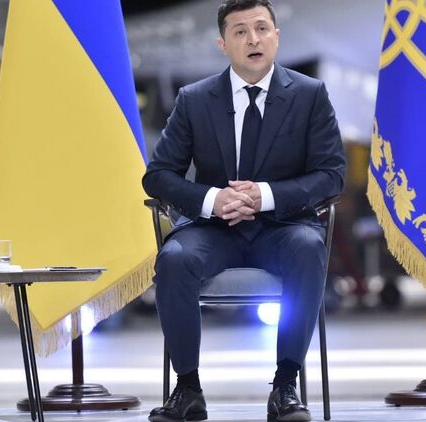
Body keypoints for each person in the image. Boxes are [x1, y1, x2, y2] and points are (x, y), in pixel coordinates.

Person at [142, 1, 345, 420]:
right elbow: (158, 176)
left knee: (309, 249)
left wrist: (265, 195)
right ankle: (188, 389)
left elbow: (331, 175)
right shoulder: (195, 99)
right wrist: (212, 199)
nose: (253, 39)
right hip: (213, 230)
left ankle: (285, 386)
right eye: (240, 31)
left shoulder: (310, 95)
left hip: (283, 226)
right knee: (175, 258)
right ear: (223, 44)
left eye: (261, 28)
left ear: (276, 36)